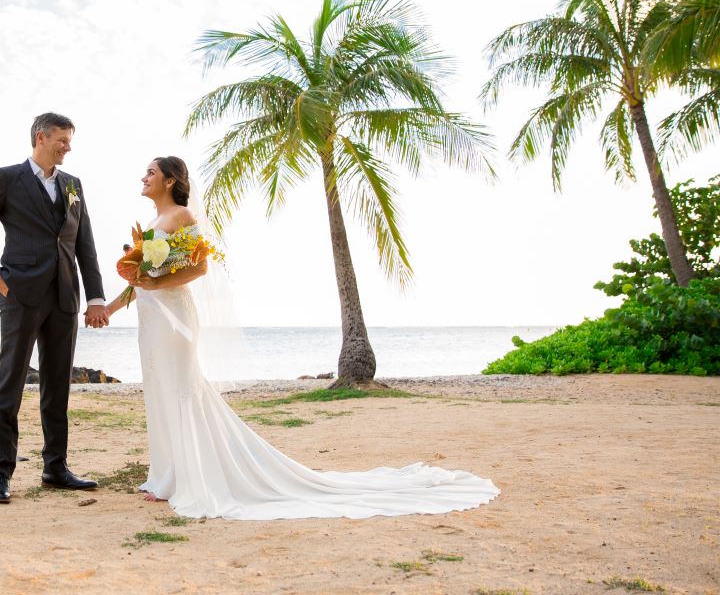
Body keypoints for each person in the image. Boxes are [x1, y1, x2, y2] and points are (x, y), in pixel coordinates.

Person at [104, 156, 500, 520]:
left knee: (181, 389)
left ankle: (187, 478)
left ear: (170, 180)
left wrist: (156, 284)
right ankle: (165, 475)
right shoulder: (152, 226)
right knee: (159, 390)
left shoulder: (182, 215)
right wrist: (110, 307)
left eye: (151, 172)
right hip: (151, 318)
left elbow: (200, 268)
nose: (144, 177)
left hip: (175, 318)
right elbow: (140, 280)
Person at [0, 113, 108, 504]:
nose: (68, 147)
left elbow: (85, 244)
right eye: (62, 139)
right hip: (20, 295)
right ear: (40, 137)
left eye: (70, 140)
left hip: (64, 297)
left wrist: (95, 297)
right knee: (9, 381)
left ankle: (55, 467)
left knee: (57, 383)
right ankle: (0, 473)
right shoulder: (7, 178)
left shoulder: (73, 185)